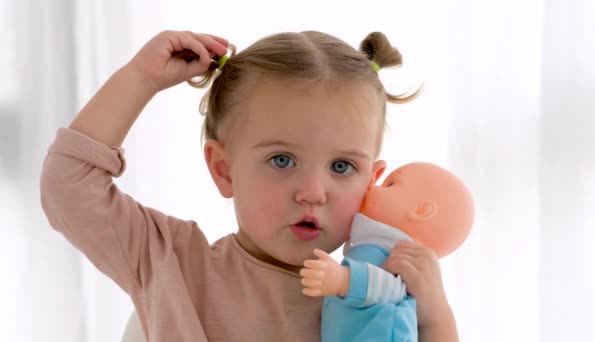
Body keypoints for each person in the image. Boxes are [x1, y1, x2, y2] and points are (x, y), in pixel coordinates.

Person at [40, 29, 458, 341]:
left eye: (342, 166)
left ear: (371, 181)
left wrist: (435, 315)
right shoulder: (172, 264)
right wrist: (140, 78)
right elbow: (69, 186)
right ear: (224, 170)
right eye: (282, 160)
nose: (313, 190)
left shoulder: (377, 290)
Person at [301, 162, 475, 341]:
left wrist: (345, 279)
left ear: (420, 211)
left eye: (389, 184)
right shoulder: (370, 247)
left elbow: (391, 290)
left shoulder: (395, 259)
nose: (373, 188)